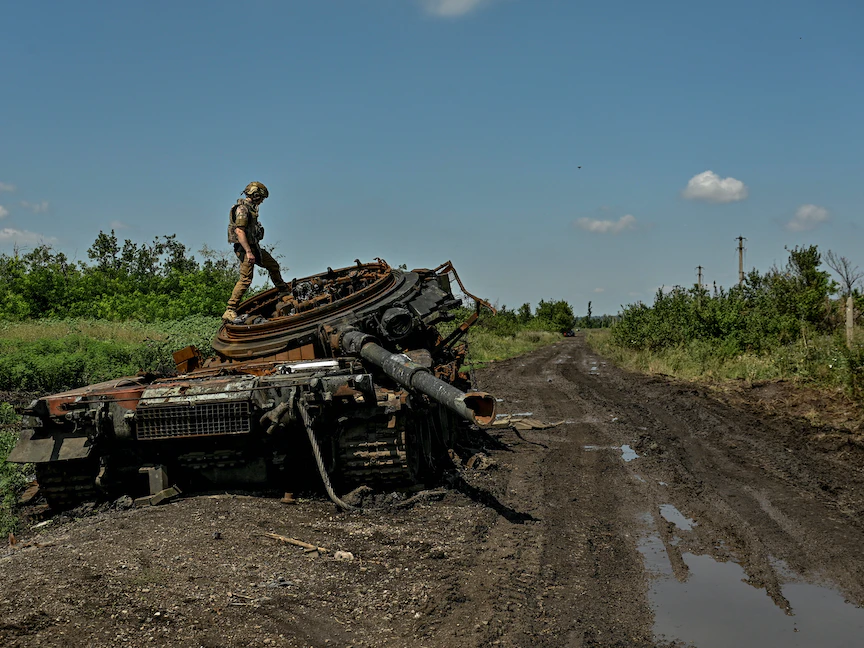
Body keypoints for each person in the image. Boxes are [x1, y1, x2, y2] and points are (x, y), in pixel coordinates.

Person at [222, 181, 288, 321]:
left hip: (254, 247)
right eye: (261, 198)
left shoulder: (250, 209)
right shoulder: (242, 209)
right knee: (246, 279)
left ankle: (283, 291)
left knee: (273, 265)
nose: (262, 201)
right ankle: (230, 309)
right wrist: (248, 252)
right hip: (246, 248)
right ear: (256, 194)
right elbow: (239, 231)